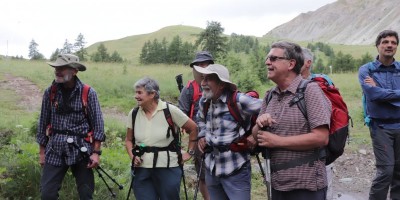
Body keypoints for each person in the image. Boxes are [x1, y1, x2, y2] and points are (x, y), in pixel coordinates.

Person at [253, 41, 331, 200]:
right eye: (268, 58)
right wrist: (260, 122)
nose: (267, 62)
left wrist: (277, 141)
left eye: (273, 58)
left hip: (307, 186)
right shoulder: (270, 95)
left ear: (291, 64)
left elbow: (321, 137)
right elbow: (256, 136)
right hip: (277, 185)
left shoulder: (311, 90)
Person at [36, 54, 105, 200]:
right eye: (56, 68)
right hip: (55, 148)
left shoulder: (88, 93)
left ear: (74, 71)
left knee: (86, 193)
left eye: (62, 68)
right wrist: (42, 152)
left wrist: (96, 153)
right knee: (47, 194)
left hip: (81, 149)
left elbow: (98, 125)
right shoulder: (50, 92)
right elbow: (42, 122)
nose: (57, 71)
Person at [195, 64, 262, 200]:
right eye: (203, 79)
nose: (203, 83)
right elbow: (200, 119)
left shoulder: (239, 101)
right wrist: (202, 135)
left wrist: (255, 134)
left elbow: (271, 109)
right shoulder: (204, 101)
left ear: (221, 84)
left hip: (235, 167)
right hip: (211, 167)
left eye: (208, 79)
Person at [125, 77, 198, 200]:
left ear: (152, 94)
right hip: (142, 169)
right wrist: (133, 156)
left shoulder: (169, 110)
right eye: (135, 92)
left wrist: (190, 152)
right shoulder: (134, 113)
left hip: (168, 167)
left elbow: (193, 128)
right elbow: (128, 140)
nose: (135, 96)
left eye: (139, 92)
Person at [358, 30, 400, 200]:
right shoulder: (366, 70)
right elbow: (373, 95)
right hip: (380, 127)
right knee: (386, 170)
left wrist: (380, 90)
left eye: (393, 42)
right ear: (378, 46)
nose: (389, 45)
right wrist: (381, 92)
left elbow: (378, 94)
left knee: (399, 171)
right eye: (385, 42)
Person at [178, 50, 214, 200]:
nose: (201, 67)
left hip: (221, 135)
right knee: (203, 173)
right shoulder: (189, 89)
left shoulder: (221, 83)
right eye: (198, 64)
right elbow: (181, 115)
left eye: (204, 64)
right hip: (199, 136)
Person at [301, 47, 334, 200]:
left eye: (296, 58)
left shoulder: (321, 83)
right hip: (302, 147)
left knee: (323, 186)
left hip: (322, 144)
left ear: (308, 63)